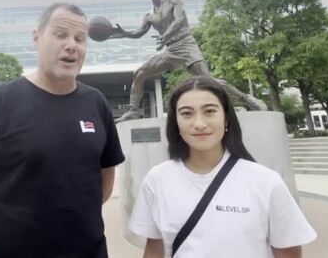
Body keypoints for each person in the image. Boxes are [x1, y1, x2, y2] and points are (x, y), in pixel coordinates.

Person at [0, 3, 125, 258]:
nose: (71, 44)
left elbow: (103, 182)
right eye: (60, 35)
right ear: (37, 38)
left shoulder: (97, 103)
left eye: (80, 39)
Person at [128, 76, 316, 258]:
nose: (199, 124)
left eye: (209, 111)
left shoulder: (265, 181)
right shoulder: (157, 179)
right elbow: (154, 249)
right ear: (175, 122)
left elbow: (287, 252)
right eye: (186, 113)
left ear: (226, 118)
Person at [111, 0, 265, 123]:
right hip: (170, 51)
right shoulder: (149, 15)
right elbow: (139, 32)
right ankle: (133, 111)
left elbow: (178, 20)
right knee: (139, 73)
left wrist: (165, 35)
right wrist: (124, 33)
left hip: (185, 45)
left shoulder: (174, 0)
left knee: (209, 81)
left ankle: (247, 99)